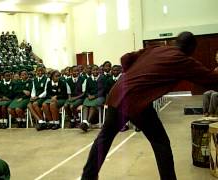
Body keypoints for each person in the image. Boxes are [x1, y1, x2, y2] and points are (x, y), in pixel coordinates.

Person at [81, 31, 218, 180]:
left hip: (118, 93)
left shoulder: (156, 48)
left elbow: (125, 58)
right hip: (136, 101)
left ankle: (88, 177)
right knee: (160, 143)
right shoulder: (183, 60)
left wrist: (135, 76)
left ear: (175, 42)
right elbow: (210, 79)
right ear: (191, 49)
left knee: (104, 138)